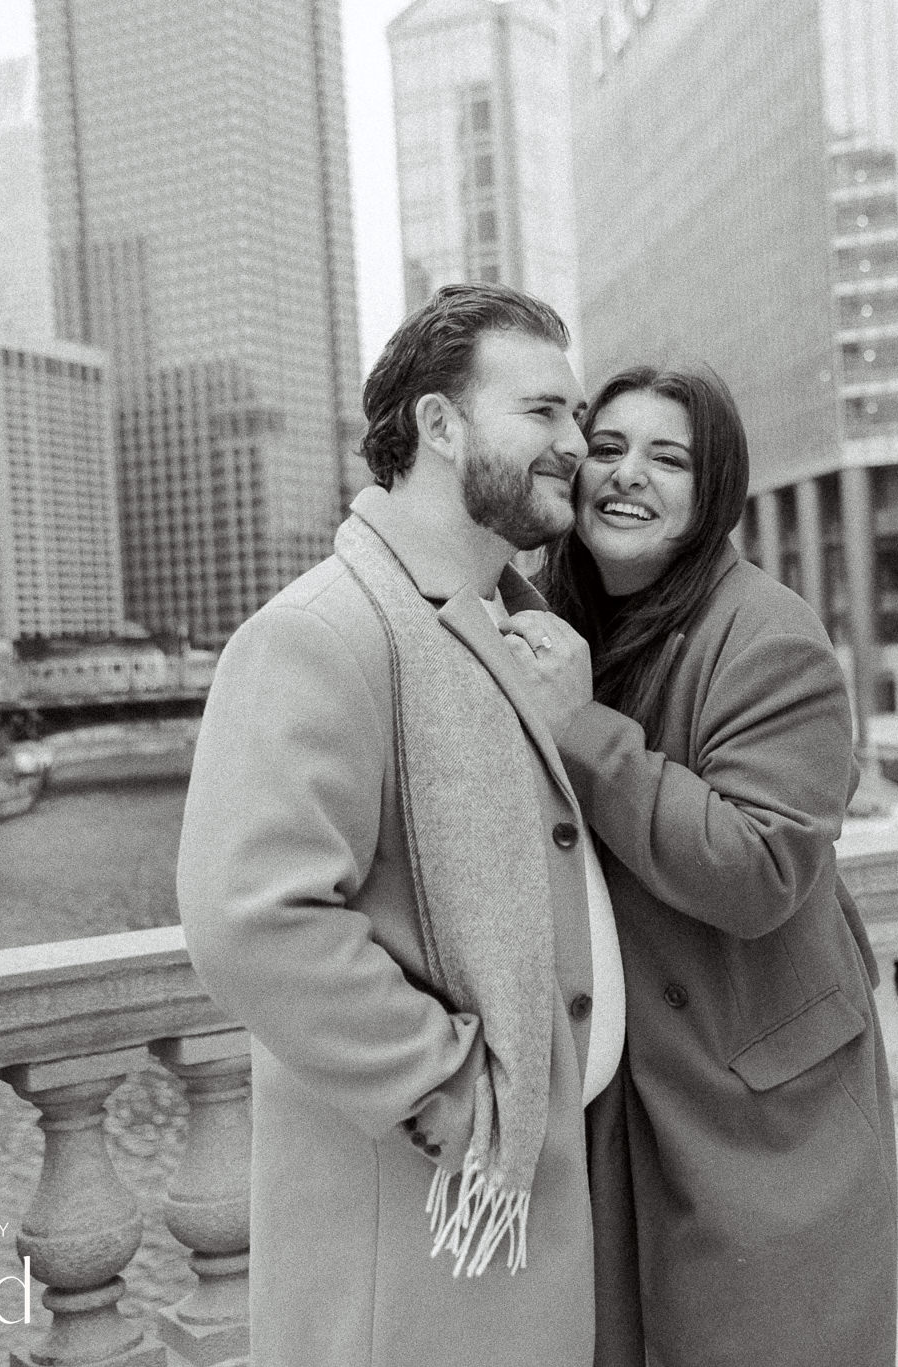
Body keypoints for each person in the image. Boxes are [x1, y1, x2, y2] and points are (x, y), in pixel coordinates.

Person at [176, 283, 626, 1365]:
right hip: (422, 1223)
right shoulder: (323, 632)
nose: (577, 444)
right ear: (437, 423)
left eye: (574, 415)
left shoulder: (514, 627)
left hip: (517, 1200)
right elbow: (253, 920)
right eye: (542, 413)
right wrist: (451, 1091)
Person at [502, 365, 898, 1367]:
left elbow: (759, 864)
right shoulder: (548, 619)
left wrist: (579, 727)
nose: (628, 476)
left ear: (710, 488)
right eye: (608, 447)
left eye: (668, 458)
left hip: (758, 1103)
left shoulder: (768, 633)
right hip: (613, 1099)